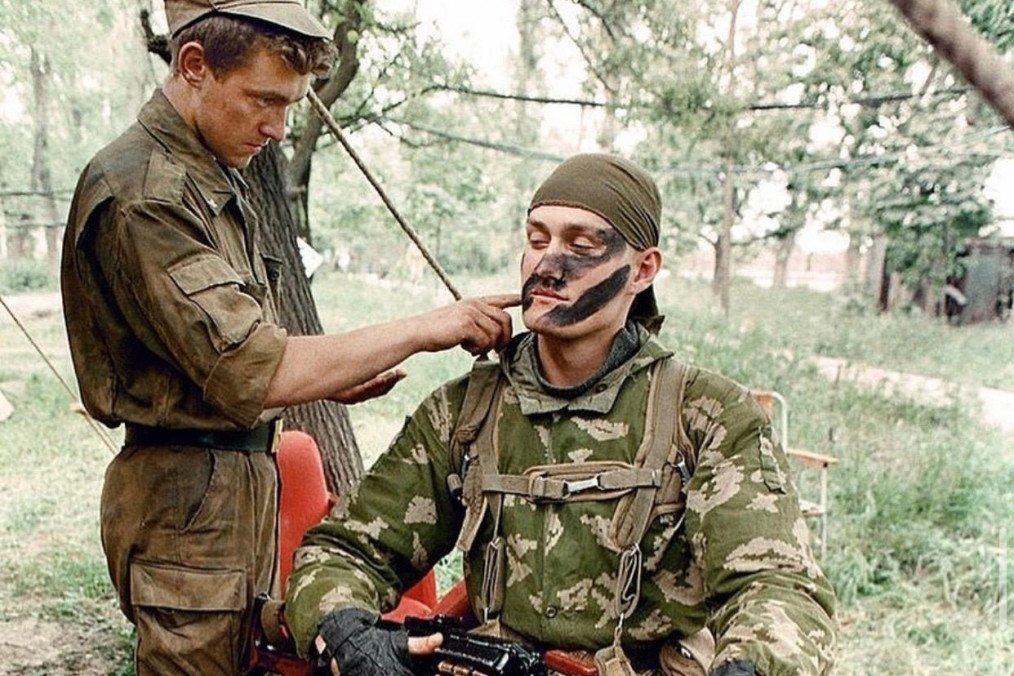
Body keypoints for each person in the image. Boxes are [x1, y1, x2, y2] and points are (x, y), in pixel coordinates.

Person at [59, 1, 515, 673]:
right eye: (263, 101)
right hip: (186, 508)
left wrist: (329, 373)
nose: (276, 127)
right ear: (194, 67)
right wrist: (429, 327)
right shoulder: (146, 195)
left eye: (289, 107)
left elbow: (223, 357)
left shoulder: (204, 177)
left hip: (224, 495)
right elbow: (258, 368)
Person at [283, 154, 838, 676]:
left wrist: (751, 665)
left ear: (643, 269)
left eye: (581, 244)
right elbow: (346, 549)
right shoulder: (466, 412)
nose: (547, 265)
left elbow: (778, 588)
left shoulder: (707, 415)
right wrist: (345, 632)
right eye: (537, 239)